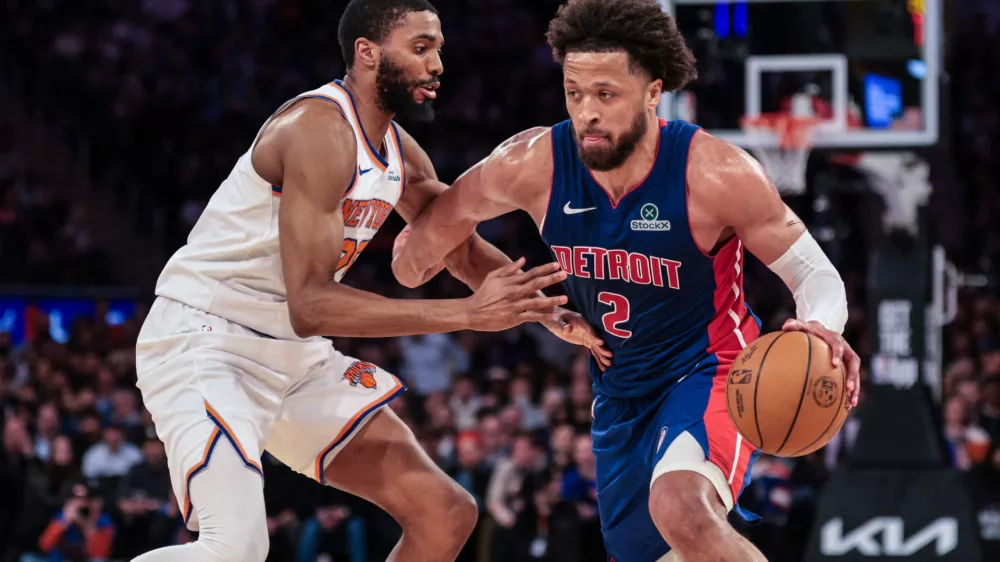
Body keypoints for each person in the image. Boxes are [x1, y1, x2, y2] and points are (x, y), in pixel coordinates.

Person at [391, 1, 862, 560]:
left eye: (606, 94)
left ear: (653, 92)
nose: (586, 112)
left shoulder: (714, 173)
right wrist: (523, 300)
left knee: (681, 506)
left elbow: (814, 274)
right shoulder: (531, 163)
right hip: (619, 391)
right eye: (574, 93)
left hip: (711, 367)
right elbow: (414, 260)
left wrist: (819, 327)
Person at [131, 1, 591, 560]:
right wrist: (466, 315)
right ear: (367, 53)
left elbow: (460, 248)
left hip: (291, 353)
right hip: (207, 338)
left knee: (444, 513)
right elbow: (312, 303)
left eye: (438, 48)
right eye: (421, 48)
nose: (438, 64)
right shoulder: (318, 130)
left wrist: (552, 313)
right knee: (236, 548)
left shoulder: (400, 151)